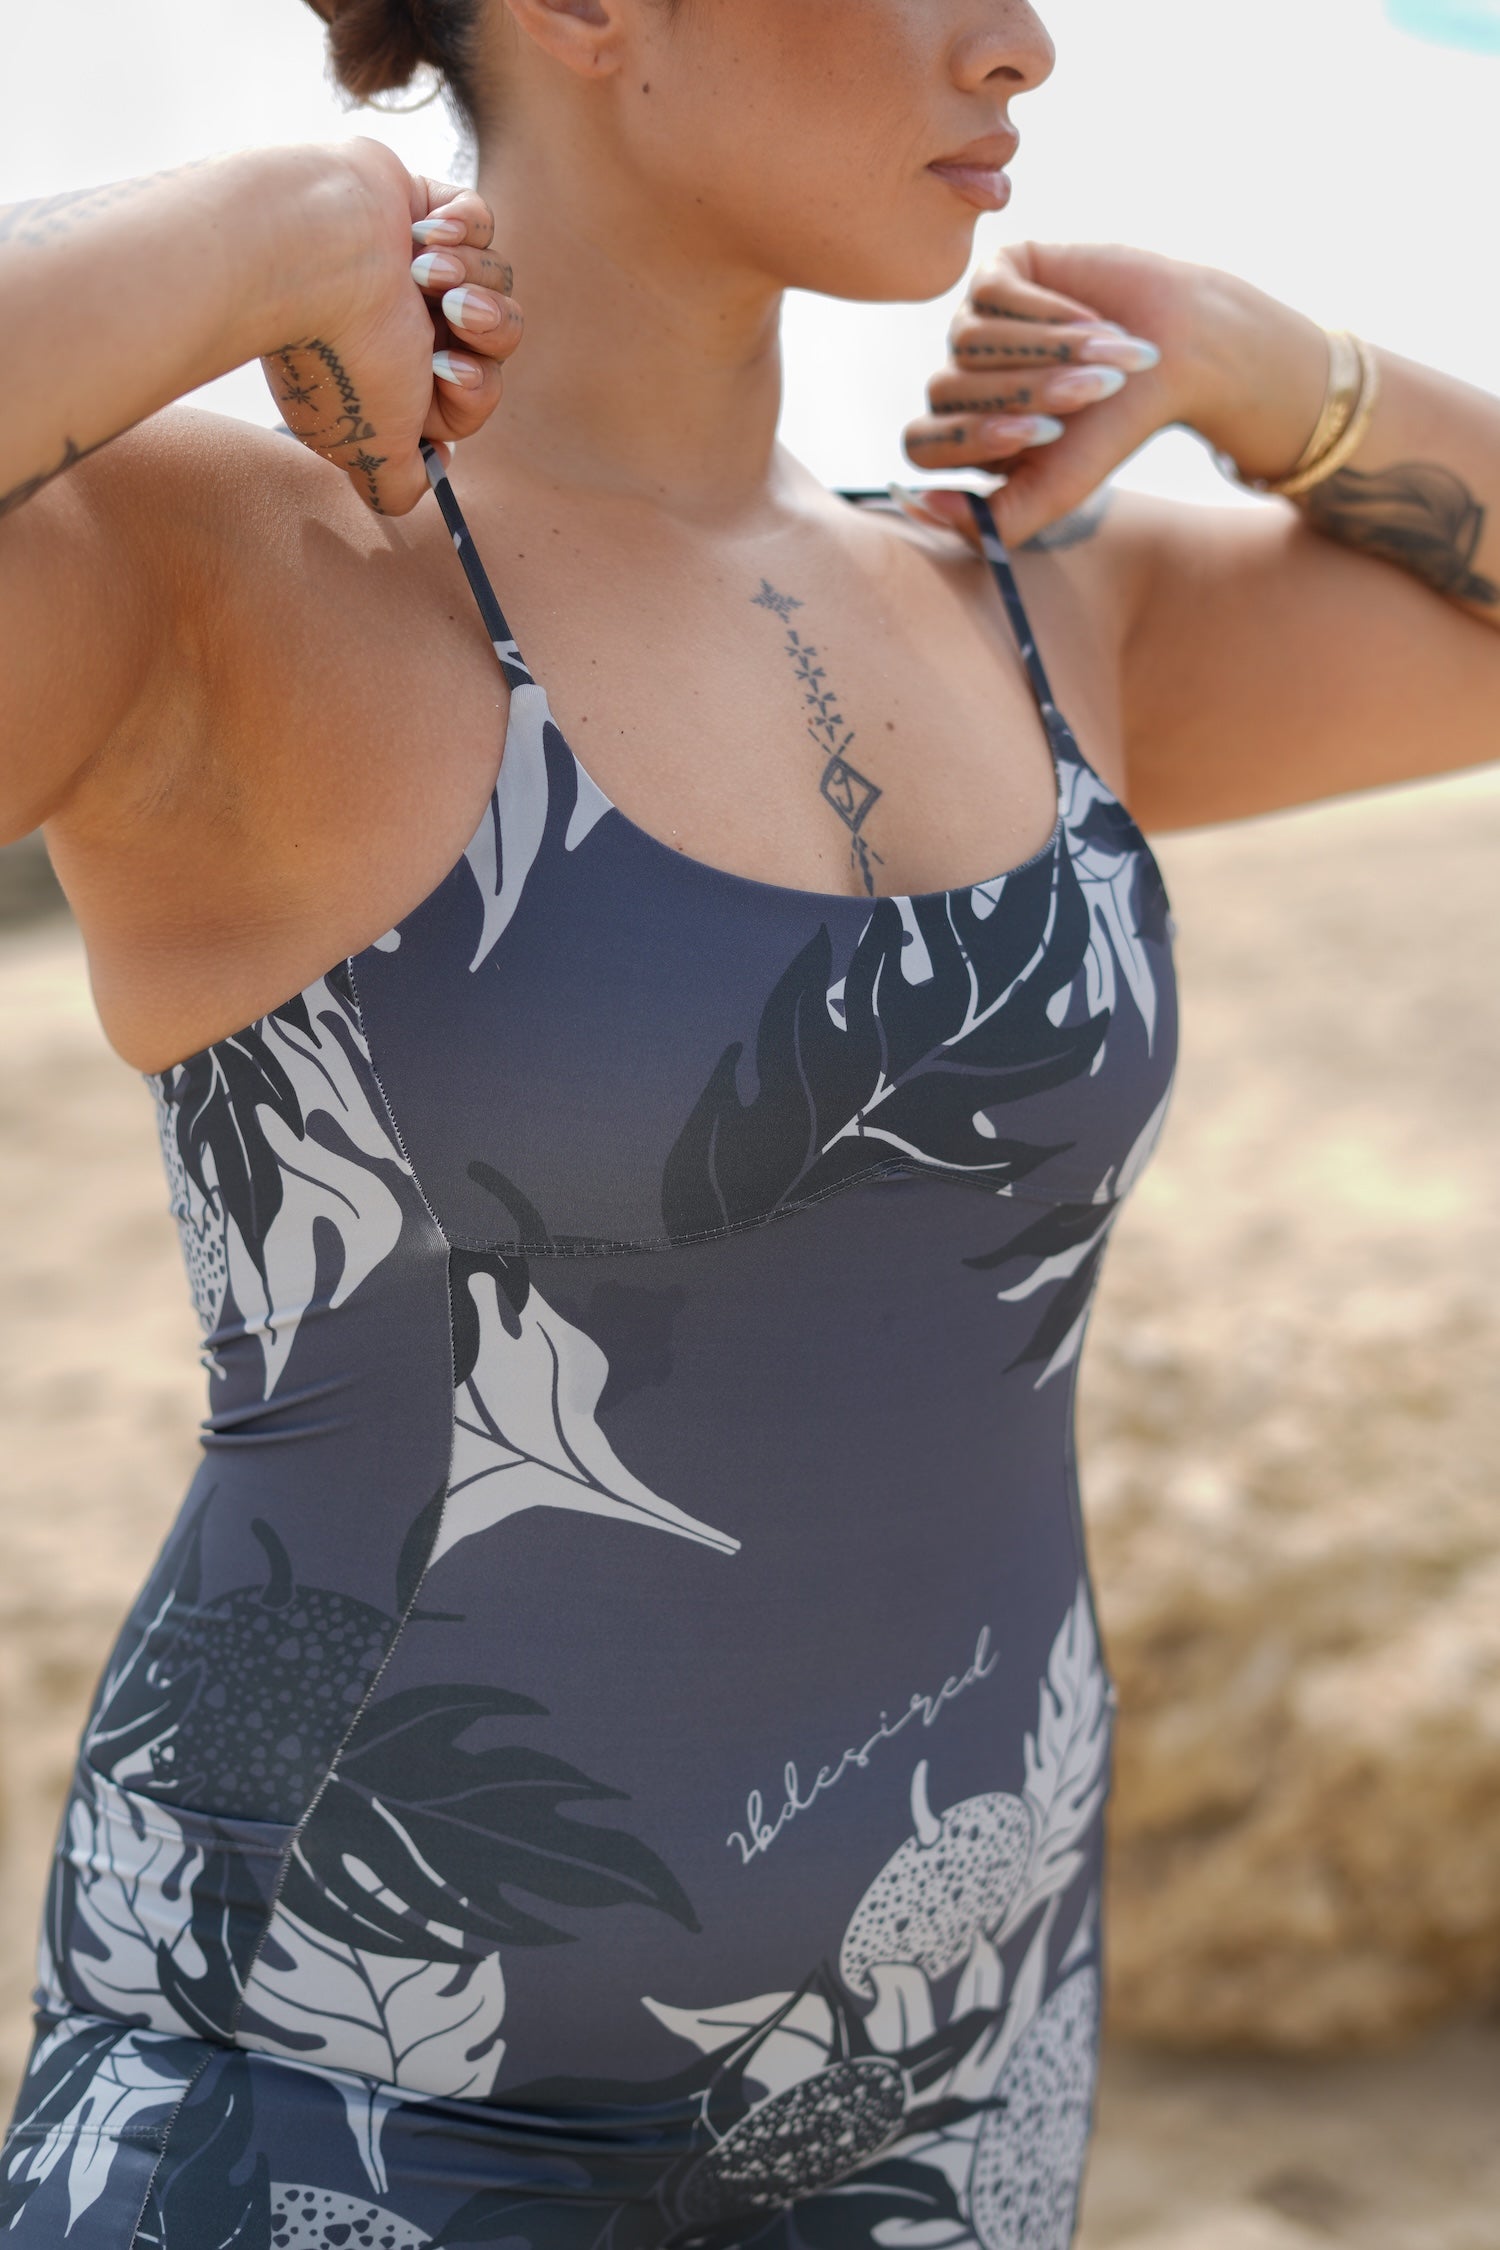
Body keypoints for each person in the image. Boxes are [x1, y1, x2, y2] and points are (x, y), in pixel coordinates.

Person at [0, 0, 1496, 2242]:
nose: (1022, 44)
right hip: (324, 2083)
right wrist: (262, 233)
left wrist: (1276, 371)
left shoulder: (1032, 602)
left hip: (946, 2077)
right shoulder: (227, 570)